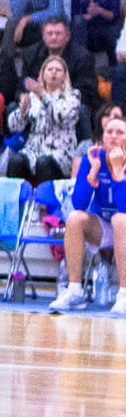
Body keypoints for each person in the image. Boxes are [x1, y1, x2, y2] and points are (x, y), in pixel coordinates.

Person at [49, 115, 126, 313]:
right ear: (103, 137)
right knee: (75, 218)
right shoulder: (93, 157)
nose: (114, 136)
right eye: (109, 132)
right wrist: (92, 174)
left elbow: (123, 206)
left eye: (120, 133)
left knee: (121, 218)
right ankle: (75, 291)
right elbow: (79, 203)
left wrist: (118, 174)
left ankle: (124, 294)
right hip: (106, 226)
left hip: (123, 223)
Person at [6, 56, 82, 185]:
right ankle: (15, 202)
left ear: (64, 76)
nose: (53, 72)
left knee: (43, 162)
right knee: (16, 161)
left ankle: (46, 204)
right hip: (33, 149)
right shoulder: (33, 96)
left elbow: (61, 117)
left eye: (58, 70)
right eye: (50, 69)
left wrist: (43, 96)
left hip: (60, 152)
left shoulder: (73, 95)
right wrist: (23, 110)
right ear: (43, 74)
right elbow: (14, 127)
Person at [20, 16, 100, 113]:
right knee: (14, 107)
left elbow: (86, 92)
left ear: (68, 36)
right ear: (43, 37)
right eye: (50, 33)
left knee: (82, 110)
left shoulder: (83, 57)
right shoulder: (30, 54)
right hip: (37, 100)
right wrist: (23, 95)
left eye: (58, 33)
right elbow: (23, 83)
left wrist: (47, 93)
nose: (54, 37)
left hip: (70, 103)